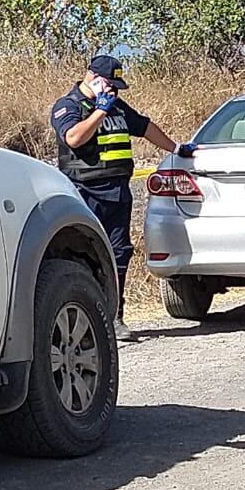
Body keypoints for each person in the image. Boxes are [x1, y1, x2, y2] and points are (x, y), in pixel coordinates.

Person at [51, 54, 196, 342]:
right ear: (93, 78)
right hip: (83, 192)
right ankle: (83, 319)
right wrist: (100, 111)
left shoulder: (116, 105)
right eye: (110, 84)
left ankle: (115, 316)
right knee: (82, 254)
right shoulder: (69, 106)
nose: (113, 90)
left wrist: (176, 148)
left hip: (117, 192)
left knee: (119, 253)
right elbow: (74, 138)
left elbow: (144, 127)